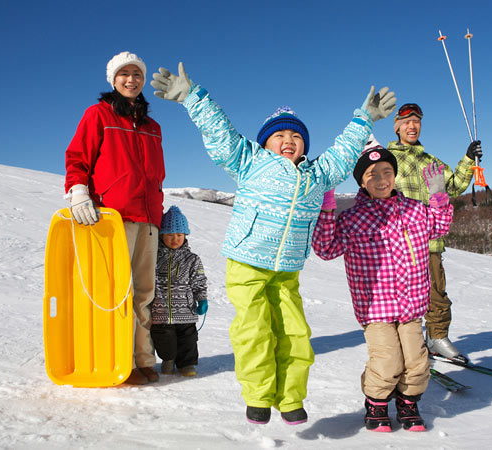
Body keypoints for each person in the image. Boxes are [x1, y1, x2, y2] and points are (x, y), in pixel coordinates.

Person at [150, 62, 396, 425]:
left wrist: (365, 118)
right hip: (247, 261)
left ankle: (291, 397)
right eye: (279, 136)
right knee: (254, 331)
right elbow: (221, 133)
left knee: (295, 334)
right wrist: (191, 97)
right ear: (265, 141)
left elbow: (344, 152)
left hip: (287, 271)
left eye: (296, 137)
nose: (288, 141)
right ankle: (259, 396)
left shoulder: (318, 174)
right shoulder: (249, 161)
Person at [312, 144, 454, 432]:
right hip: (375, 308)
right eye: (371, 174)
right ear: (361, 182)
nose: (381, 179)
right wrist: (326, 209)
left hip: (412, 305)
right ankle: (376, 403)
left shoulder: (415, 211)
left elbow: (439, 227)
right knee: (388, 360)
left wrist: (439, 198)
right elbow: (325, 249)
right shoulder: (352, 219)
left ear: (395, 176)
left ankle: (408, 403)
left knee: (416, 361)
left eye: (387, 172)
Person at [64, 51, 165, 385]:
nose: (131, 80)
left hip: (148, 218)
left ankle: (143, 359)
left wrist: (159, 213)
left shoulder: (153, 127)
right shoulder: (99, 114)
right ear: (113, 79)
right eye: (125, 74)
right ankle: (119, 360)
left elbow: (156, 175)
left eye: (137, 74)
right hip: (113, 217)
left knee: (144, 293)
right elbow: (78, 156)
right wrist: (78, 191)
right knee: (116, 292)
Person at [386, 103, 482, 363]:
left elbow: (453, 187)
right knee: (399, 297)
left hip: (430, 242)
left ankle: (437, 338)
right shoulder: (387, 159)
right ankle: (404, 345)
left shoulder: (433, 164)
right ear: (396, 126)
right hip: (399, 245)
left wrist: (467, 160)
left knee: (436, 293)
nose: (412, 126)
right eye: (406, 122)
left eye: (416, 121)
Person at [150, 205, 208, 377]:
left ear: (185, 236)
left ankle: (187, 363)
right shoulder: (154, 256)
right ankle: (168, 359)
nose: (175, 239)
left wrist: (202, 299)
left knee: (188, 339)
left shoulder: (192, 259)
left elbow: (199, 281)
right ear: (162, 235)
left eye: (179, 235)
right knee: (163, 338)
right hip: (160, 311)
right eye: (169, 235)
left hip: (186, 311)